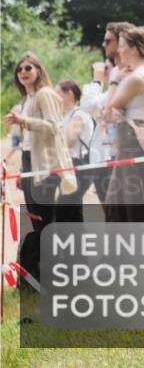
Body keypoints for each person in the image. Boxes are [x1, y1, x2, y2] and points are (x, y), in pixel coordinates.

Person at [5, 53, 77, 283]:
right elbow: (27, 142)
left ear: (38, 70)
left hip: (46, 166)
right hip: (30, 163)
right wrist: (22, 172)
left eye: (28, 67)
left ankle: (59, 271)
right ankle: (43, 271)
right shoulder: (26, 99)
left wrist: (24, 121)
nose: (23, 72)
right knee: (37, 220)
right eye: (20, 69)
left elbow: (54, 127)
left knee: (46, 220)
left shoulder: (46, 94)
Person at [103, 25, 144, 222]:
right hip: (133, 136)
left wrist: (114, 82)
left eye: (121, 46)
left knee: (131, 199)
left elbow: (107, 112)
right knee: (119, 197)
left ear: (134, 48)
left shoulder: (135, 78)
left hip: (131, 138)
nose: (119, 50)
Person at [81, 21, 131, 214]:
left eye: (108, 40)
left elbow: (91, 105)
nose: (103, 45)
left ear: (121, 43)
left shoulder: (127, 72)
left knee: (125, 211)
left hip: (120, 152)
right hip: (102, 154)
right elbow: (93, 108)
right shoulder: (117, 74)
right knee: (110, 211)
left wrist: (96, 80)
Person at [56, 79, 96, 223]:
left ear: (70, 94)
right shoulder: (68, 115)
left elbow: (69, 140)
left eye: (58, 93)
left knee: (62, 212)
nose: (55, 97)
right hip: (72, 167)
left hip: (80, 166)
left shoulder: (79, 115)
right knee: (74, 215)